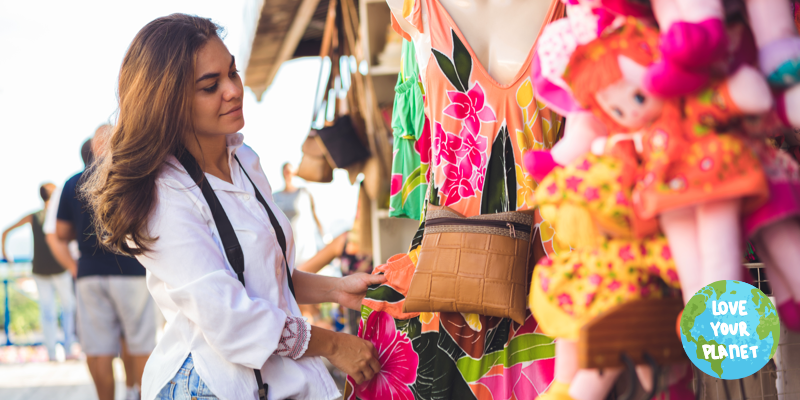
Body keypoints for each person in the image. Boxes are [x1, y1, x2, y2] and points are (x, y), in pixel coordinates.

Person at [83, 14, 385, 400]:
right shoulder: (164, 194)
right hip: (210, 386)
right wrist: (334, 345)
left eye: (233, 73)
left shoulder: (244, 159)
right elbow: (230, 317)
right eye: (210, 86)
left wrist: (338, 289)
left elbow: (261, 277)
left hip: (273, 378)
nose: (232, 90)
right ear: (169, 102)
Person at [53, 127, 156, 400]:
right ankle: (138, 394)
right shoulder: (133, 175)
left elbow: (61, 234)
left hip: (89, 274)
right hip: (133, 272)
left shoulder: (73, 183)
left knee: (98, 350)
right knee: (141, 344)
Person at [1, 183, 76, 362]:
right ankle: (68, 349)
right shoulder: (60, 215)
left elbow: (6, 231)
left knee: (47, 311)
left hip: (40, 270)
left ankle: (51, 353)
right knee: (68, 308)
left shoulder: (33, 216)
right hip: (60, 268)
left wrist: (6, 254)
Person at [272, 163, 324, 266]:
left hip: (305, 248)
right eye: (285, 171)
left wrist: (298, 173)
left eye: (290, 171)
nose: (288, 173)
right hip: (286, 246)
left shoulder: (304, 192)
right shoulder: (275, 196)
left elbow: (315, 215)